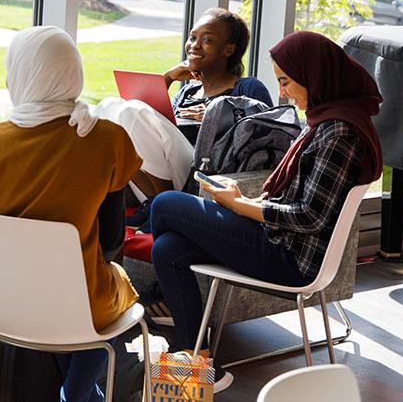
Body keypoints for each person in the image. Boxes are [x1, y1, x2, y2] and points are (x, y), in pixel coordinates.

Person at [146, 30, 383, 392]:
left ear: (314, 74)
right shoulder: (331, 119)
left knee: (164, 205)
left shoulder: (339, 132)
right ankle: (200, 362)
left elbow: (309, 217)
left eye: (286, 82)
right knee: (168, 249)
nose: (283, 93)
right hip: (283, 243)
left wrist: (241, 206)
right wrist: (249, 201)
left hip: (291, 259)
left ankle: (169, 326)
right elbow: (303, 203)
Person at [0, 26, 141, 402]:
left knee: (68, 308)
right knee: (114, 290)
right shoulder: (106, 139)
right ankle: (75, 394)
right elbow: (110, 242)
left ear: (21, 74)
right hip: (75, 307)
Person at [162, 8, 272, 124]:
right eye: (193, 38)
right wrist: (168, 78)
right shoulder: (185, 94)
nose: (194, 45)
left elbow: (272, 131)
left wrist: (218, 118)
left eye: (207, 40)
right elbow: (148, 126)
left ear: (228, 50)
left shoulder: (248, 88)